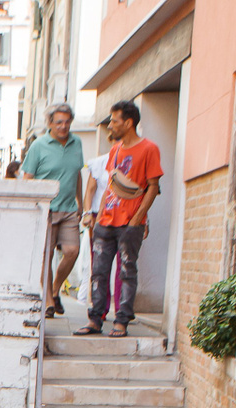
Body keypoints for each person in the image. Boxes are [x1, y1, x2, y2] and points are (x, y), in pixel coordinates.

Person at [78, 100, 161, 339]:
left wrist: (138, 219)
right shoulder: (115, 150)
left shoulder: (149, 149)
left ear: (128, 122)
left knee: (127, 271)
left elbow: (153, 186)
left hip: (130, 223)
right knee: (98, 272)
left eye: (114, 121)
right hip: (106, 221)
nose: (110, 125)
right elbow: (111, 185)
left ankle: (121, 321)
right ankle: (95, 320)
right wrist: (100, 215)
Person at [21, 104, 89, 318]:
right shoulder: (38, 146)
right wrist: (30, 208)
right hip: (45, 209)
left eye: (67, 122)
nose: (63, 126)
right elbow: (27, 179)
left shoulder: (77, 143)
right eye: (59, 122)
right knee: (46, 255)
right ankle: (49, 302)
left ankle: (55, 289)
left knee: (72, 251)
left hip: (69, 208)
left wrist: (81, 203)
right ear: (49, 123)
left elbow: (77, 174)